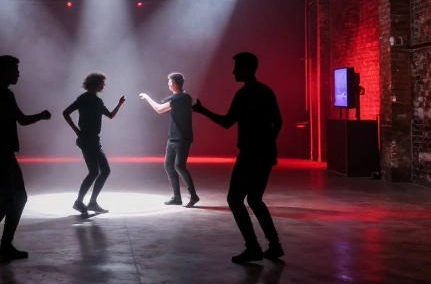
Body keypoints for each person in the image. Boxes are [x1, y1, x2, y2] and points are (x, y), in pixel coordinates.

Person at [193, 52, 284, 264]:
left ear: (246, 68)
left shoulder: (244, 95)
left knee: (235, 199)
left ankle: (253, 247)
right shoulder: (265, 91)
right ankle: (274, 245)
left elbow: (226, 122)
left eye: (236, 67)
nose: (233, 71)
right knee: (254, 199)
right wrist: (269, 142)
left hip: (250, 154)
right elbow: (278, 121)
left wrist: (203, 110)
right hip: (265, 154)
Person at [0, 55, 51, 264]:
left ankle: (5, 245)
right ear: (5, 72)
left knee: (19, 198)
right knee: (7, 201)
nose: (18, 74)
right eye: (15, 70)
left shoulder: (6, 94)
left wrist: (40, 116)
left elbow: (21, 120)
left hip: (4, 154)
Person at [63, 72, 125, 216]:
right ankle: (80, 201)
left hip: (93, 140)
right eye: (102, 83)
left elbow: (110, 115)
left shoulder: (97, 101)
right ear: (95, 83)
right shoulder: (84, 98)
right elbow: (65, 112)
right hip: (87, 140)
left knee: (101, 171)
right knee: (95, 171)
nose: (104, 85)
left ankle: (90, 202)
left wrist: (119, 104)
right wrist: (77, 131)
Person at [139, 72, 199, 207]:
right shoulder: (181, 97)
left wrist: (147, 97)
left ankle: (193, 195)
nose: (168, 84)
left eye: (170, 82)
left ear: (176, 83)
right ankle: (177, 197)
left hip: (182, 138)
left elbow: (159, 109)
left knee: (179, 165)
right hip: (173, 137)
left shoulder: (181, 98)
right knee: (168, 165)